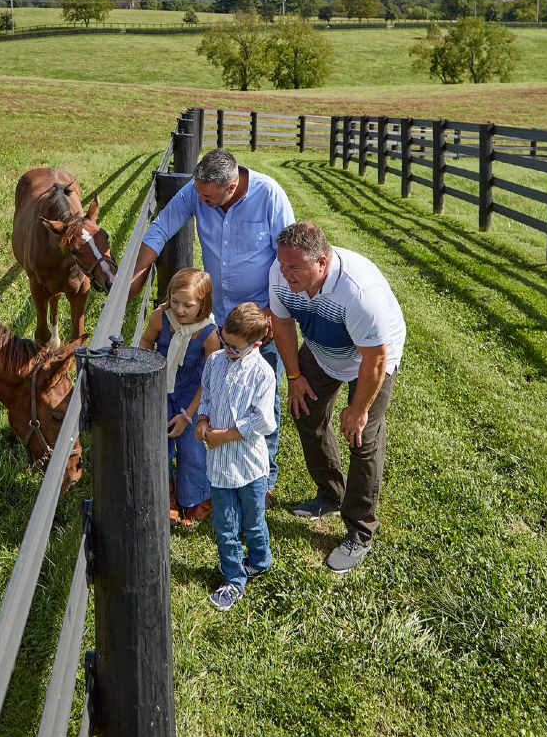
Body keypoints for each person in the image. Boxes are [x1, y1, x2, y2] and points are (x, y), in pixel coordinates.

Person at [130, 148, 295, 498]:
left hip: (259, 319)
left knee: (261, 397)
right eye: (198, 192)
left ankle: (262, 480)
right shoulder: (197, 191)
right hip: (218, 316)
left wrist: (272, 312)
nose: (199, 199)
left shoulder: (269, 195)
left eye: (207, 195)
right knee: (218, 391)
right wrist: (136, 275)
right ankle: (219, 472)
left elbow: (286, 258)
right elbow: (161, 228)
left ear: (231, 186)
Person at [268, 222, 406, 574]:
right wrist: (294, 376)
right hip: (321, 348)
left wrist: (358, 409)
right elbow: (281, 323)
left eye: (294, 268)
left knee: (362, 436)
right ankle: (330, 495)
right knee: (305, 412)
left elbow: (375, 358)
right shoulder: (281, 272)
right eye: (282, 266)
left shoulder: (359, 292)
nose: (285, 275)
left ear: (322, 264)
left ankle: (360, 532)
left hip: (369, 357)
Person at [195, 302, 277, 612]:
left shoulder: (262, 373)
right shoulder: (215, 360)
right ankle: (234, 579)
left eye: (235, 347)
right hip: (219, 467)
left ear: (256, 344)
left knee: (254, 522)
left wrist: (225, 435)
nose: (227, 349)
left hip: (250, 466)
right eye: (224, 340)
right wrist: (202, 422)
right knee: (225, 525)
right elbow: (207, 396)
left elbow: (263, 421)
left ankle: (259, 559)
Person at [138, 268, 220, 526]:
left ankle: (196, 498)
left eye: (188, 305)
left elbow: (208, 380)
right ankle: (166, 497)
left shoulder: (209, 334)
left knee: (192, 447)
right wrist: (146, 373)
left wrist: (188, 415)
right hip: (160, 388)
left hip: (191, 394)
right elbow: (145, 341)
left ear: (202, 304)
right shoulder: (161, 318)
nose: (180, 310)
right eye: (175, 302)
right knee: (159, 445)